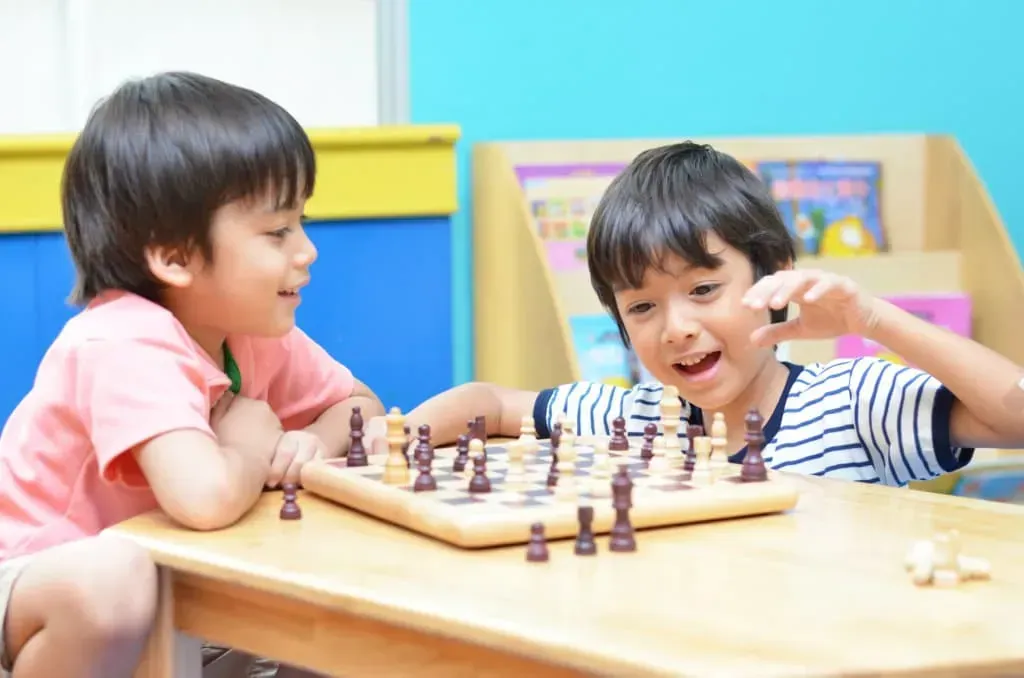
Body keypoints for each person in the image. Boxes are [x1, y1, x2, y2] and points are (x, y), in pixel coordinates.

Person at [0, 72, 385, 678]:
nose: (306, 249)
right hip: (41, 592)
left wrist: (312, 441)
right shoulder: (121, 341)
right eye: (278, 231)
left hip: (170, 603)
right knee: (114, 578)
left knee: (344, 620)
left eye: (302, 221)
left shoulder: (251, 330)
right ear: (174, 256)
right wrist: (248, 445)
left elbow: (363, 406)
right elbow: (204, 498)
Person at [398, 141, 1024, 486]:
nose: (676, 328)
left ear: (774, 274)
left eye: (702, 290)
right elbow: (492, 402)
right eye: (641, 305)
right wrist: (395, 441)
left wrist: (873, 320)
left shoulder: (853, 404)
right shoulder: (625, 415)